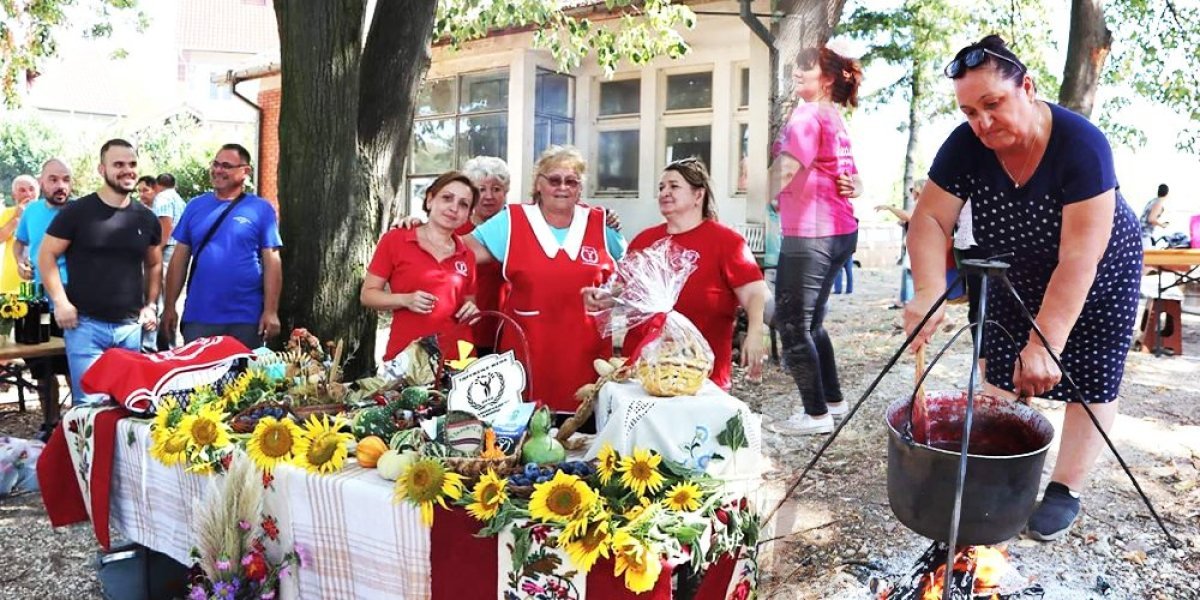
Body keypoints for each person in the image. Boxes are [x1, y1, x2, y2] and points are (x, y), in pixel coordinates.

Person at [904, 35, 1142, 542]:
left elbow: (1079, 255)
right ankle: (999, 471)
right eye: (970, 111)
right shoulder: (966, 145)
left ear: (1027, 87)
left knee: (1092, 376)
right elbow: (928, 218)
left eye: (993, 104)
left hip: (1099, 271)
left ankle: (1064, 488)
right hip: (1012, 272)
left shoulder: (1081, 145)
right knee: (998, 368)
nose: (982, 123)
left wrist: (1046, 342)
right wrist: (928, 292)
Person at [584, 158, 770, 390]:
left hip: (700, 375)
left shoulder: (726, 242)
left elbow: (755, 293)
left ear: (698, 195)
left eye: (674, 186)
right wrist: (606, 298)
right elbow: (627, 294)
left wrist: (755, 332)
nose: (665, 192)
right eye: (661, 187)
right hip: (644, 373)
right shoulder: (644, 240)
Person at [467, 145, 626, 416]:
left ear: (579, 188)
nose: (562, 187)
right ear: (538, 184)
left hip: (587, 355)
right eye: (554, 180)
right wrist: (420, 227)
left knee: (583, 432)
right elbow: (459, 255)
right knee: (526, 433)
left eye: (571, 181)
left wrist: (612, 296)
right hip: (529, 351)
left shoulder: (600, 223)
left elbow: (627, 279)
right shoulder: (512, 220)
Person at [766, 44, 864, 435]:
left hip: (812, 234)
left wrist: (750, 197)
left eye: (805, 68)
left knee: (791, 326)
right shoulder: (833, 117)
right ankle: (833, 402)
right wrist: (854, 186)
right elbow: (855, 179)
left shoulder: (806, 114)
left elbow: (786, 169)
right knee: (813, 323)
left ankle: (815, 415)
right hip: (840, 232)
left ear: (826, 78)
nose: (797, 73)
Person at [39, 139, 162, 404]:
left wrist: (151, 305)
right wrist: (61, 303)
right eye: (118, 164)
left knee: (129, 407)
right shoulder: (77, 212)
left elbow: (154, 263)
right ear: (101, 169)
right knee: (89, 412)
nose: (127, 170)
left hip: (130, 329)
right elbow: (46, 255)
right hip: (85, 326)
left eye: (131, 164)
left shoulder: (147, 217)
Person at [162, 144, 282, 350]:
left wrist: (271, 311)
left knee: (247, 381)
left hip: (246, 317)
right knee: (200, 380)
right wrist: (169, 306)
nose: (218, 170)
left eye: (226, 166)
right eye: (215, 164)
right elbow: (179, 260)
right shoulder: (195, 206)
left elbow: (272, 261)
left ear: (245, 172)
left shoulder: (261, 209)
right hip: (200, 316)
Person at [363, 171, 480, 361]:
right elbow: (368, 295)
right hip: (407, 358)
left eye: (463, 204)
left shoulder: (467, 256)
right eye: (447, 198)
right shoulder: (396, 240)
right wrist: (405, 300)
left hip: (458, 359)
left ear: (468, 215)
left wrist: (473, 311)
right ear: (429, 200)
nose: (454, 208)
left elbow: (469, 304)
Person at [457, 156, 511, 354]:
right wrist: (409, 224)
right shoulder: (455, 226)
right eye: (481, 189)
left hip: (505, 327)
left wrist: (606, 219)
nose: (489, 196)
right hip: (462, 326)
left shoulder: (516, 227)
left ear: (505, 193)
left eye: (496, 189)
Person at [14, 159, 73, 287]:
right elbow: (19, 242)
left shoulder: (82, 211)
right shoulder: (31, 210)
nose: (61, 186)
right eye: (53, 180)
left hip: (76, 298)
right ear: (41, 182)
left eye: (66, 180)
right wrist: (20, 261)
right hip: (40, 296)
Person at [1, 175, 39, 294]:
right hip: (12, 286)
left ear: (38, 192)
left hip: (41, 281)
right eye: (22, 190)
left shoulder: (46, 212)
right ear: (14, 195)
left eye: (31, 189)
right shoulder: (8, 213)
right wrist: (17, 218)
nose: (28, 194)